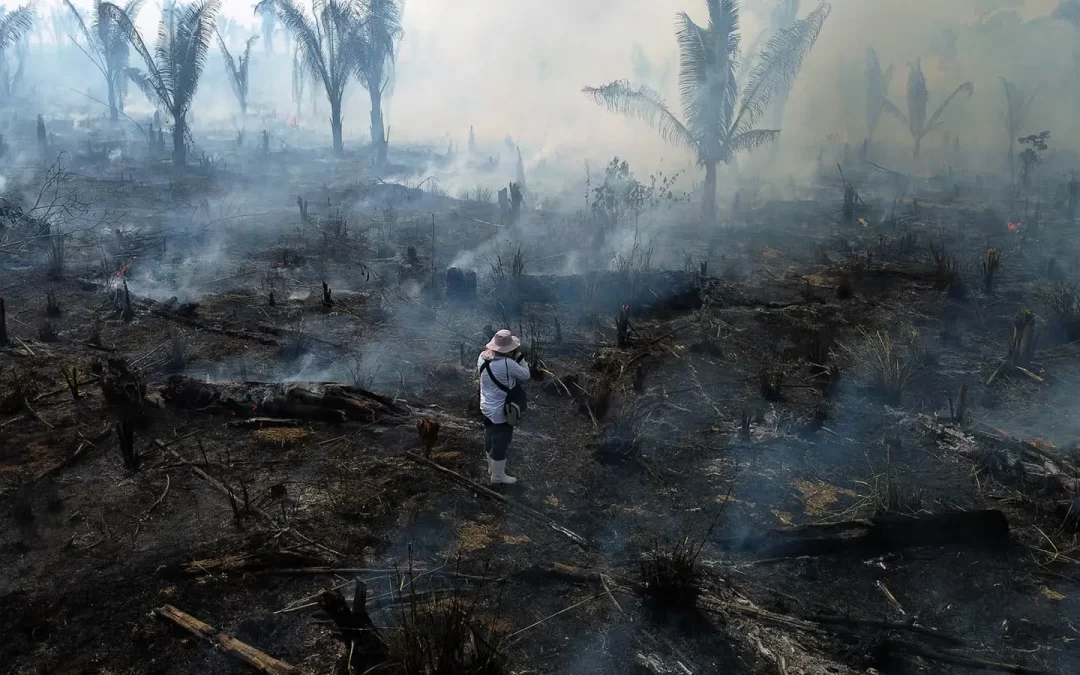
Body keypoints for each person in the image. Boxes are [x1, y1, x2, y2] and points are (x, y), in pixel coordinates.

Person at [477, 329, 530, 484]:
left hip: (485, 406)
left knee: (489, 434)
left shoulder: (481, 357)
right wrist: (520, 358)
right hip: (501, 411)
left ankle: (491, 468)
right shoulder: (507, 363)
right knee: (501, 441)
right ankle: (497, 476)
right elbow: (525, 375)